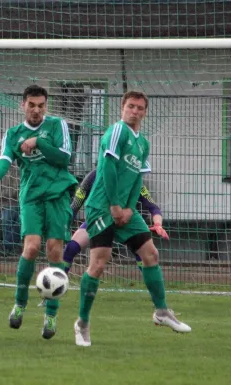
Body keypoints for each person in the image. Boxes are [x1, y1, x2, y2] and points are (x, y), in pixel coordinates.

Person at [75, 91, 191, 347]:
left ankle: (162, 312)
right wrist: (115, 205)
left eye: (140, 108)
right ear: (122, 108)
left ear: (145, 113)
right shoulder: (117, 132)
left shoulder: (143, 143)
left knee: (151, 254)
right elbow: (107, 169)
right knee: (99, 264)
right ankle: (82, 323)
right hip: (101, 207)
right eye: (130, 106)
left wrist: (128, 208)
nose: (135, 111)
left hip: (125, 209)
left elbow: (138, 178)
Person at [0, 85, 77, 339]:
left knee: (54, 249)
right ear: (23, 105)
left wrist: (38, 141)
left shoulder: (57, 126)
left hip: (58, 194)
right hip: (30, 196)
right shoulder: (13, 134)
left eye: (41, 105)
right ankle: (19, 304)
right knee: (31, 247)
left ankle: (51, 315)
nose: (37, 110)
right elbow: (4, 163)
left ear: (46, 106)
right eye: (32, 105)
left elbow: (64, 158)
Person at [64, 170, 169, 274]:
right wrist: (64, 226)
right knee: (71, 247)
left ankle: (153, 285)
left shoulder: (132, 178)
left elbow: (153, 207)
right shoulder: (93, 176)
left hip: (123, 221)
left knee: (144, 252)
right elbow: (74, 206)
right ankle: (59, 278)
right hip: (100, 219)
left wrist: (158, 224)